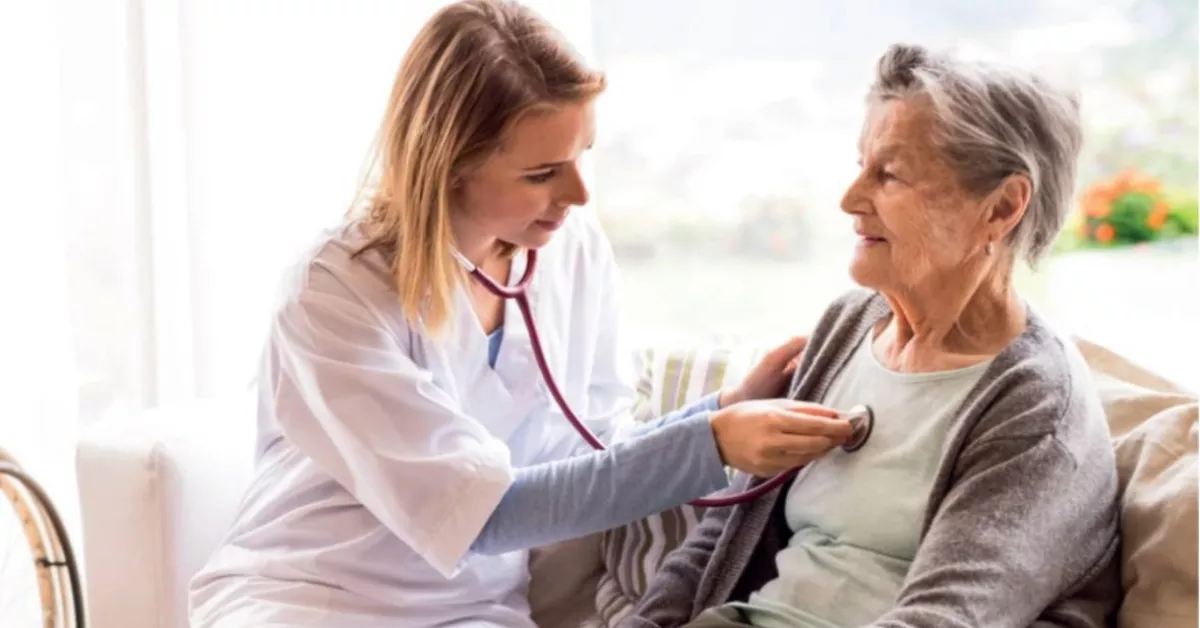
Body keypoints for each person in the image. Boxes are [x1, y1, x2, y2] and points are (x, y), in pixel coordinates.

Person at [186, 1, 856, 626]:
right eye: (542, 173)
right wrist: (711, 442)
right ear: (449, 165)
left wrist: (721, 409)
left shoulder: (573, 251)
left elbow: (594, 454)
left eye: (583, 155)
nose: (579, 194)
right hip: (310, 594)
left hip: (472, 606)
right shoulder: (334, 289)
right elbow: (487, 514)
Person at [622, 44, 1122, 628]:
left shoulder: (1036, 407)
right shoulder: (849, 326)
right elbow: (724, 535)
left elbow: (946, 618)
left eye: (889, 174)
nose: (849, 199)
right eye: (861, 164)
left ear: (1002, 207)